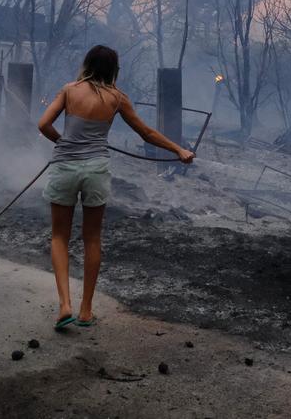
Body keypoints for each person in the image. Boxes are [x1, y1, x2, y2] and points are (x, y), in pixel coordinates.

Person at [37, 45, 193, 330]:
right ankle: (85, 311)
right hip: (96, 170)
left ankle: (64, 306)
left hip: (64, 168)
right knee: (92, 239)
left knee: (59, 236)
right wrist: (178, 149)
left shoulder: (70, 90)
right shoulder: (117, 98)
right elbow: (146, 132)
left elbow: (43, 124)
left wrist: (62, 143)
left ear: (87, 64)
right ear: (113, 70)